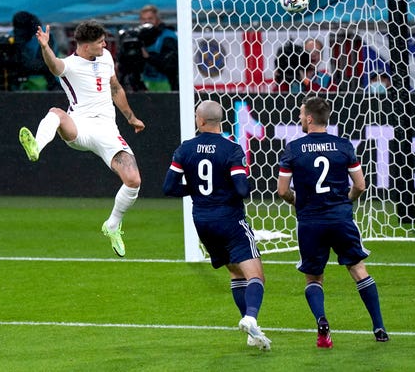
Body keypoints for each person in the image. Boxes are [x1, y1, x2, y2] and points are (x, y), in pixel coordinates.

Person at [18, 20, 145, 257]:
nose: (105, 44)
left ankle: (112, 225)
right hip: (80, 127)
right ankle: (36, 145)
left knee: (133, 180)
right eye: (100, 42)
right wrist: (45, 47)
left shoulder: (106, 57)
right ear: (86, 46)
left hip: (108, 130)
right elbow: (55, 66)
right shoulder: (71, 65)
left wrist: (131, 117)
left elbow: (115, 88)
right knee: (57, 112)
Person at [276, 96, 389, 348]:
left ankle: (322, 321)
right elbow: (360, 185)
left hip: (310, 222)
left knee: (314, 279)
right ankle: (379, 326)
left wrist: (301, 202)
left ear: (308, 118)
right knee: (358, 270)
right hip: (340, 218)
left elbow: (282, 191)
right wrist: (345, 201)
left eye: (300, 114)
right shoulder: (344, 146)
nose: (298, 118)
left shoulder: (293, 149)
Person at [163, 100, 271, 351]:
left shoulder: (185, 149)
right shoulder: (231, 149)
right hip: (229, 219)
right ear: (219, 121)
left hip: (202, 221)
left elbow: (169, 187)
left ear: (200, 121)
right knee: (256, 276)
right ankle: (251, 317)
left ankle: (252, 334)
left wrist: (197, 191)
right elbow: (242, 189)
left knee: (235, 272)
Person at [0, 11, 60, 91]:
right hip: (14, 86)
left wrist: (20, 58)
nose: (19, 33)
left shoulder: (45, 37)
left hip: (43, 84)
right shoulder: (8, 39)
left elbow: (44, 66)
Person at [117, 5, 178, 92]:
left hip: (167, 86)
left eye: (150, 19)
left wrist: (148, 56)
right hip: (143, 87)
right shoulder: (136, 37)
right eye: (144, 19)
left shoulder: (167, 36)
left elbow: (170, 65)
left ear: (157, 20)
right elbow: (126, 67)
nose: (146, 22)